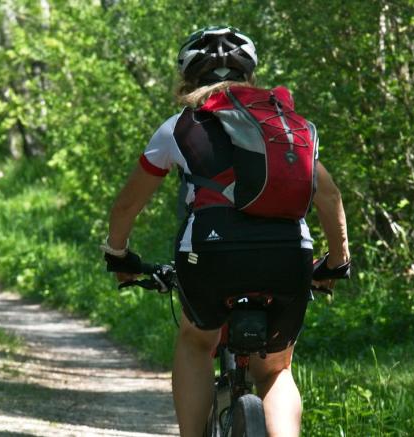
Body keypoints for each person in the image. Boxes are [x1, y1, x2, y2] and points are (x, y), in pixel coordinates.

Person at [102, 27, 350, 437]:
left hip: (211, 254)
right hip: (289, 253)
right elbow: (330, 197)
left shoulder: (179, 127)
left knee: (197, 341)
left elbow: (127, 205)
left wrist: (118, 255)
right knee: (275, 370)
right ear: (250, 76)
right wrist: (337, 263)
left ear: (187, 79)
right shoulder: (289, 127)